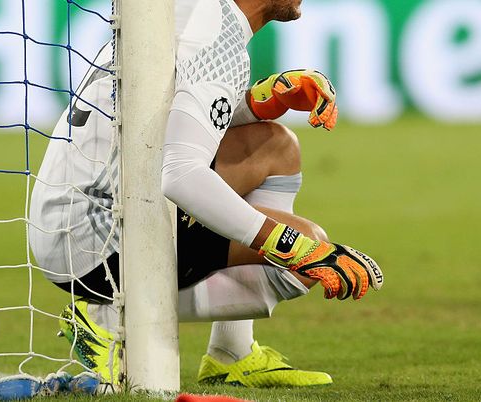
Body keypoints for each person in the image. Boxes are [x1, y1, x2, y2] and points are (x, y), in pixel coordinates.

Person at [29, 0, 383, 388]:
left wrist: (257, 103)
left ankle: (233, 353)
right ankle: (106, 317)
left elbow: (162, 118)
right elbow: (181, 174)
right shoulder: (218, 40)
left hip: (68, 214)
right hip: (98, 242)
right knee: (306, 251)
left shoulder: (188, 12)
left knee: (276, 147)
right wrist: (293, 248)